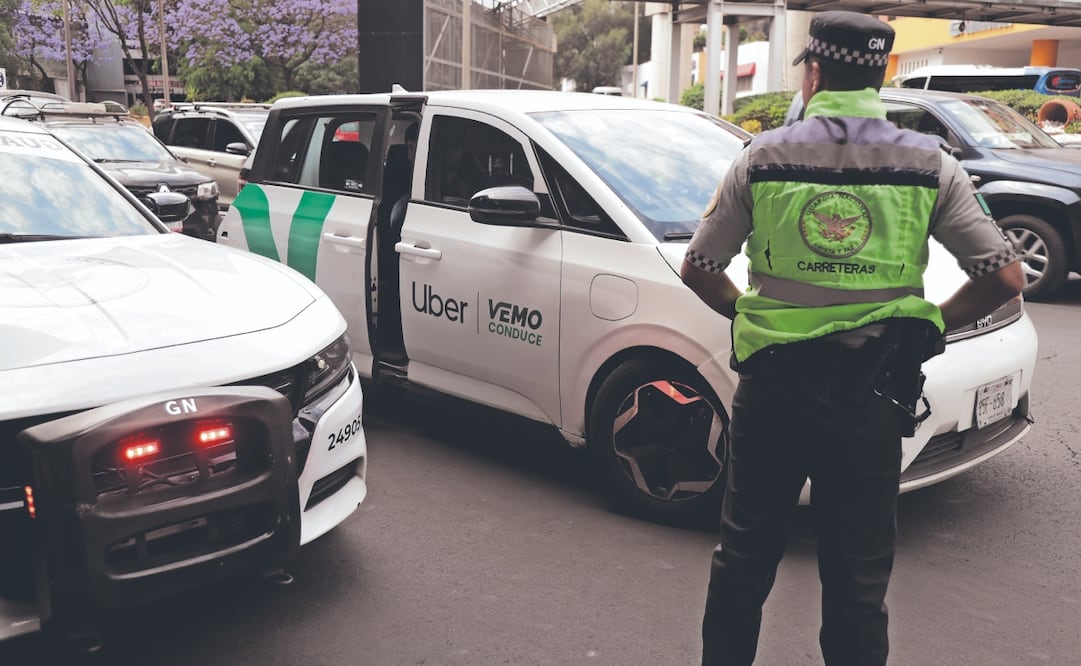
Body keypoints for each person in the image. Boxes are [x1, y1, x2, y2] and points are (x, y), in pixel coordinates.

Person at [679, 11, 1024, 666]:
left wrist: (748, 315)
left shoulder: (761, 157)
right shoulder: (930, 163)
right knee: (857, 582)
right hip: (872, 397)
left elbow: (697, 267)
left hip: (773, 393)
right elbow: (1004, 277)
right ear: (881, 73)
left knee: (743, 559)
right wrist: (929, 325)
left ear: (813, 72)